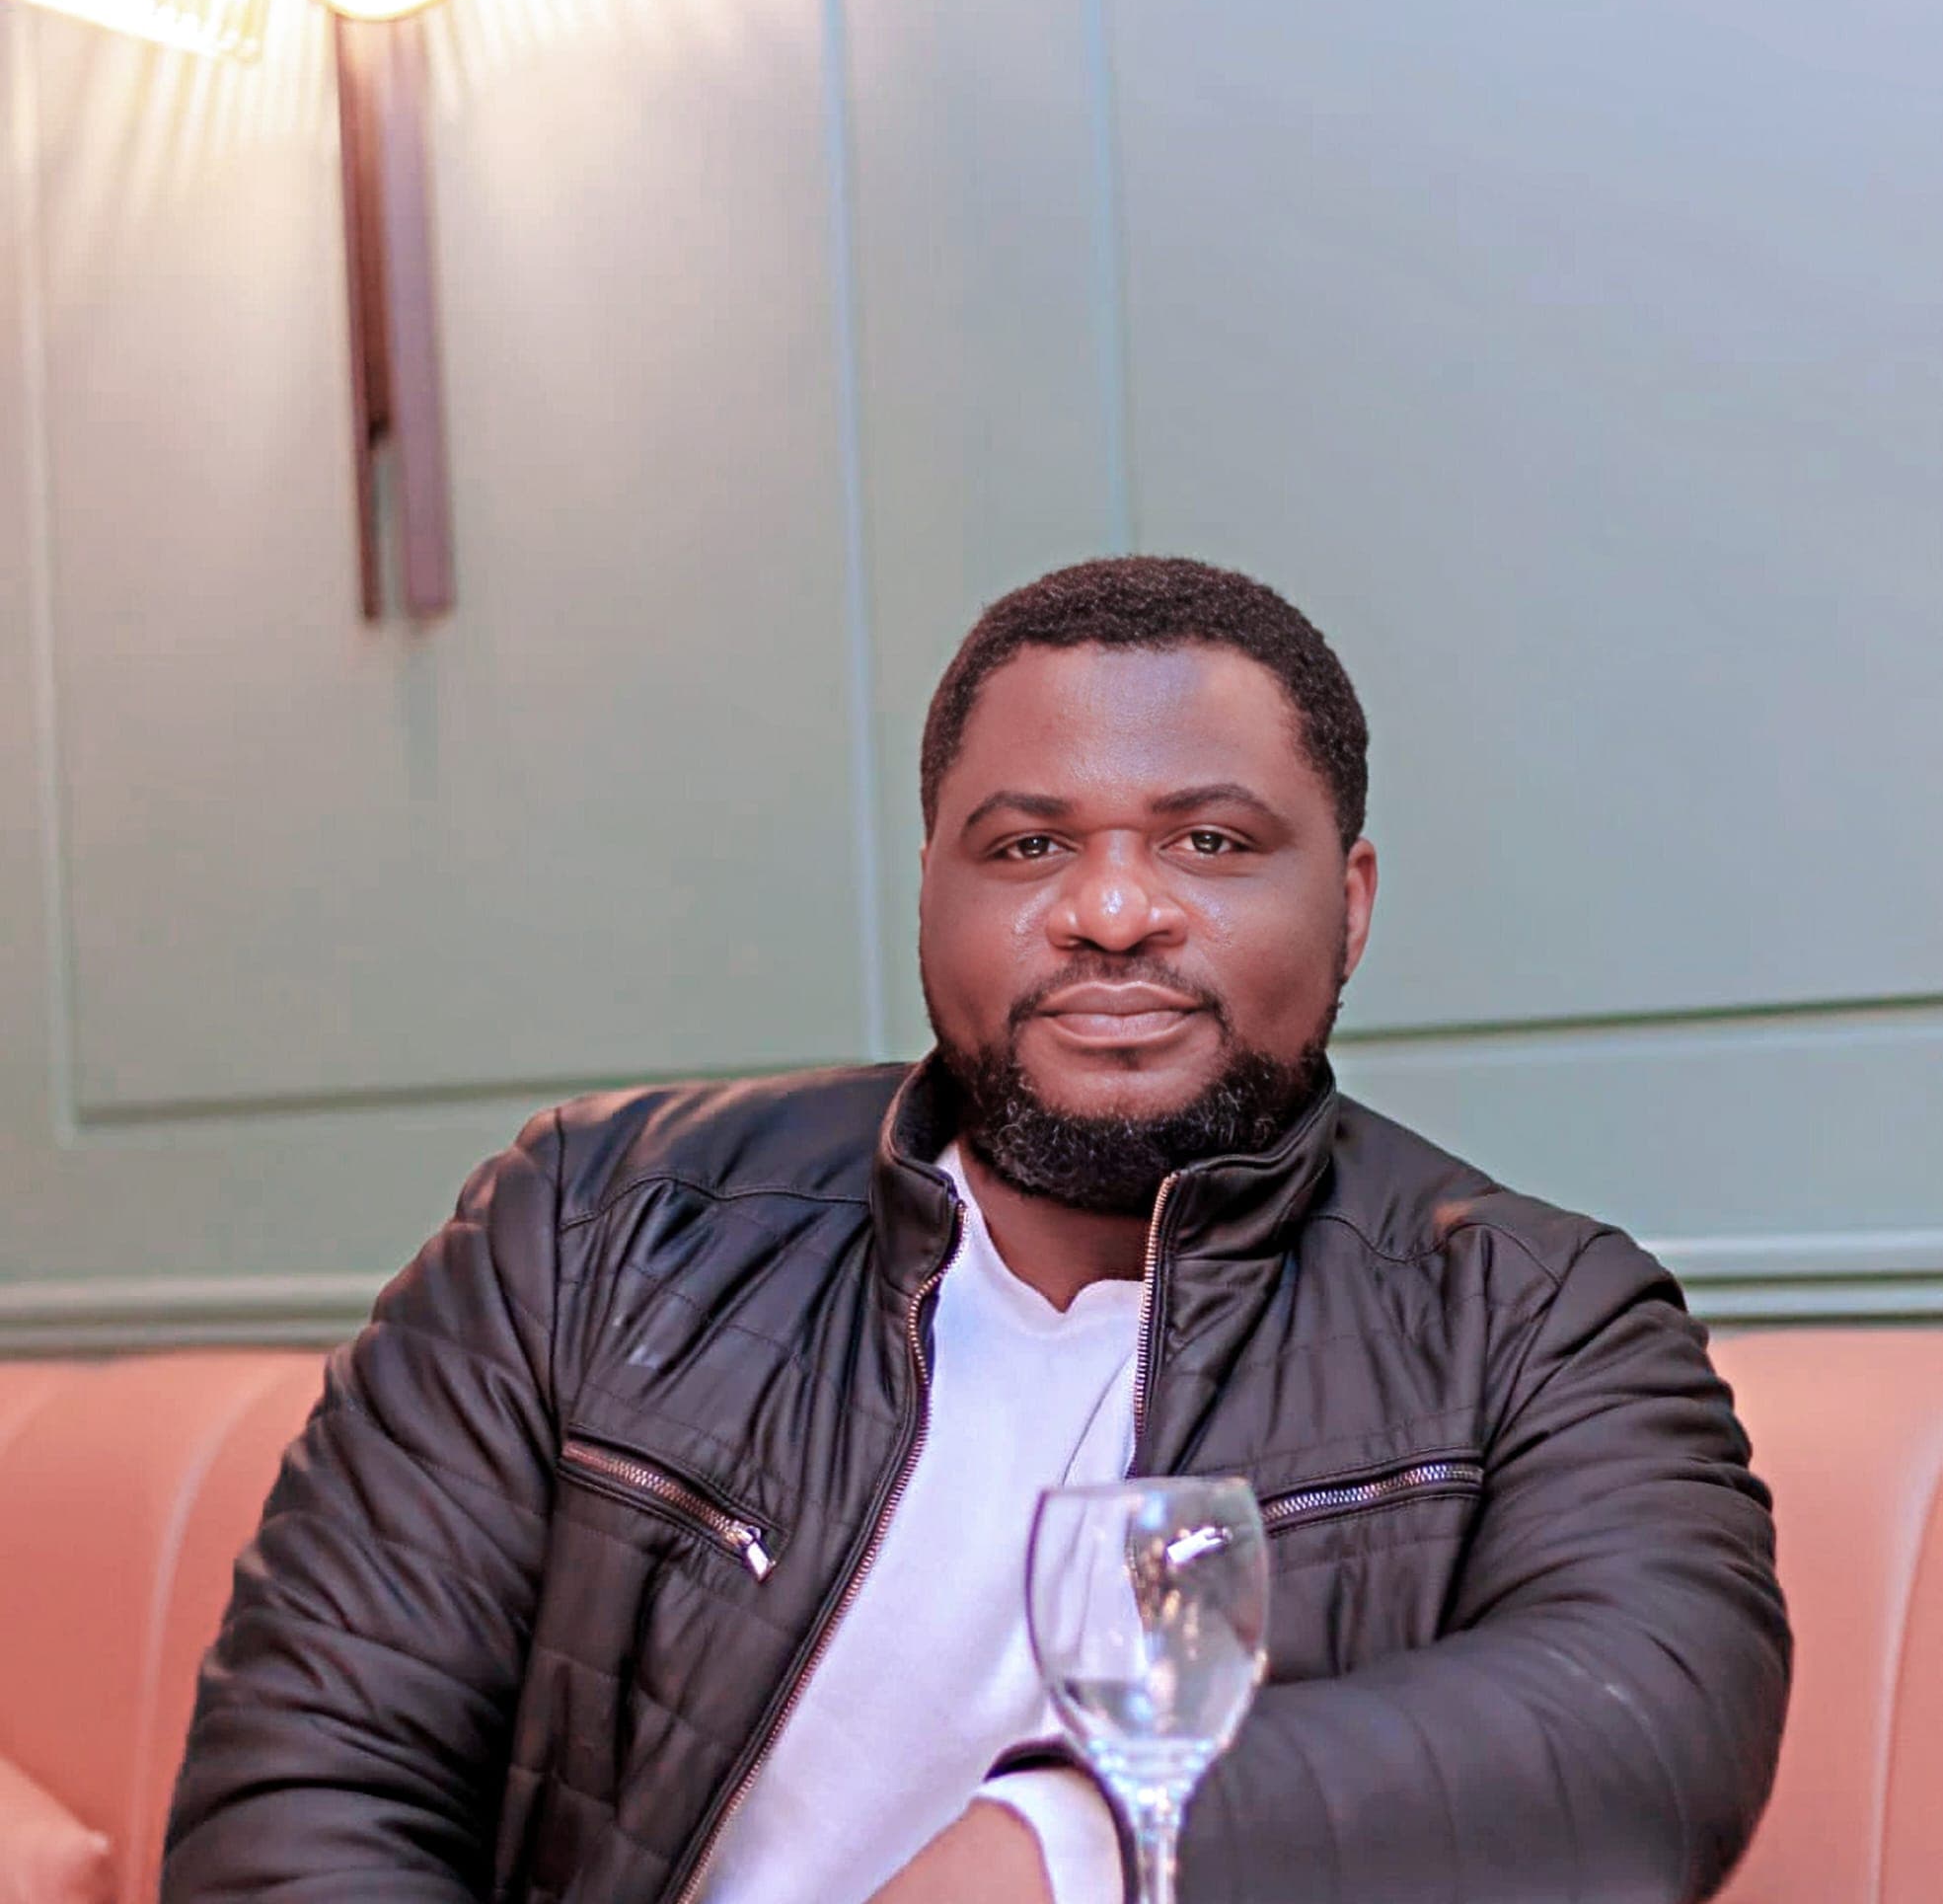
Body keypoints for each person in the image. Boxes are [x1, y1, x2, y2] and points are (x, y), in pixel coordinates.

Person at [163, 556, 1790, 1903]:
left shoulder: (1533, 1317)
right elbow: (312, 1790)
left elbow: (1643, 1719)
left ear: (1348, 901)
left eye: (1207, 842)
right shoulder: (593, 1229)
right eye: (1028, 845)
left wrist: (1066, 1845)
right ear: (930, 887)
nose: (1109, 907)